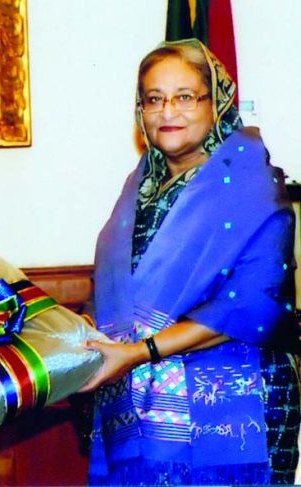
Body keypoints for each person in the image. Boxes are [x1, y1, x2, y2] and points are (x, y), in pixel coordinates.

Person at [81, 38, 300, 485]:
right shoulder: (139, 188)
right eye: (154, 99)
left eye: (184, 97)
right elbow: (116, 296)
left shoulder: (253, 186)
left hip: (235, 400)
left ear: (215, 102)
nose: (168, 112)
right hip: (137, 396)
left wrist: (138, 353)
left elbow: (251, 304)